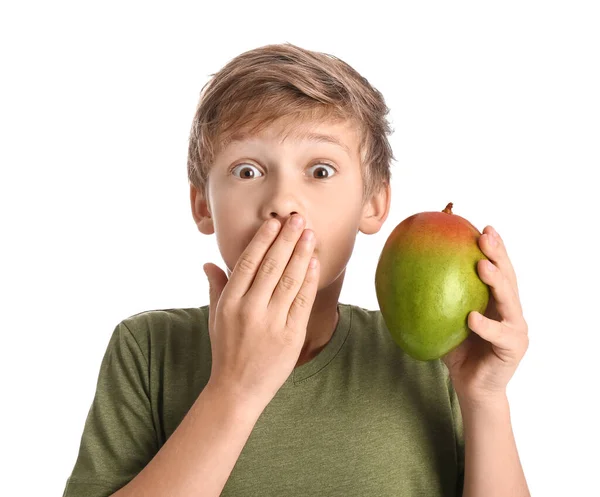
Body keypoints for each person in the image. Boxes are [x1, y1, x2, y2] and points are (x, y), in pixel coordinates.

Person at [62, 42, 530, 497]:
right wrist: (235, 388)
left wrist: (485, 397)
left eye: (321, 170)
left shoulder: (434, 361)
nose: (283, 201)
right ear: (202, 204)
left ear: (373, 203)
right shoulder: (147, 350)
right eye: (247, 171)